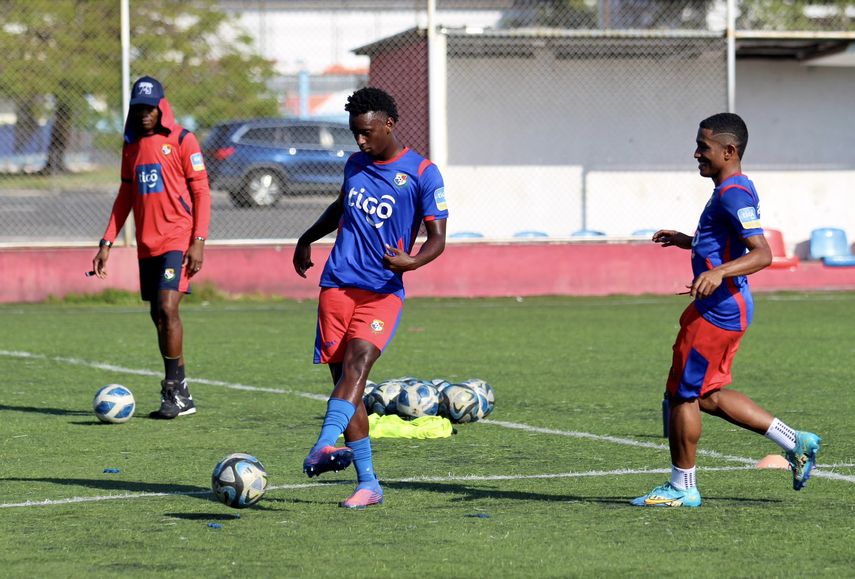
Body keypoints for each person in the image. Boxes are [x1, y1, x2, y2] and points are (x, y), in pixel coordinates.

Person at [632, 112, 821, 507]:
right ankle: (794, 441)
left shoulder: (733, 193)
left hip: (719, 310)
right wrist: (688, 240)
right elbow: (726, 240)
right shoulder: (729, 189)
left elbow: (762, 253)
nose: (696, 153)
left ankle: (682, 487)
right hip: (721, 306)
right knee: (705, 394)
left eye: (704, 147)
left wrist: (717, 272)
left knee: (683, 394)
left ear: (729, 150)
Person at [292, 87, 448, 508]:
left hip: (382, 293)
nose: (360, 141)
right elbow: (341, 207)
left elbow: (438, 239)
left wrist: (413, 262)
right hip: (337, 286)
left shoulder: (423, 173)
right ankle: (368, 483)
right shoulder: (355, 164)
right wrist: (307, 237)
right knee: (348, 385)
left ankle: (324, 444)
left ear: (388, 124)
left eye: (366, 132)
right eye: (354, 133)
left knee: (360, 363)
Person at [92, 76, 211, 419]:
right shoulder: (131, 145)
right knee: (158, 316)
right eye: (139, 108)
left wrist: (198, 241)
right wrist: (107, 242)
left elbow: (202, 192)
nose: (145, 114)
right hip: (147, 245)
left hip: (178, 238)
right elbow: (125, 194)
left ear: (162, 106)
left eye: (150, 107)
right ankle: (183, 391)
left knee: (168, 306)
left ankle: (171, 389)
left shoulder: (183, 140)